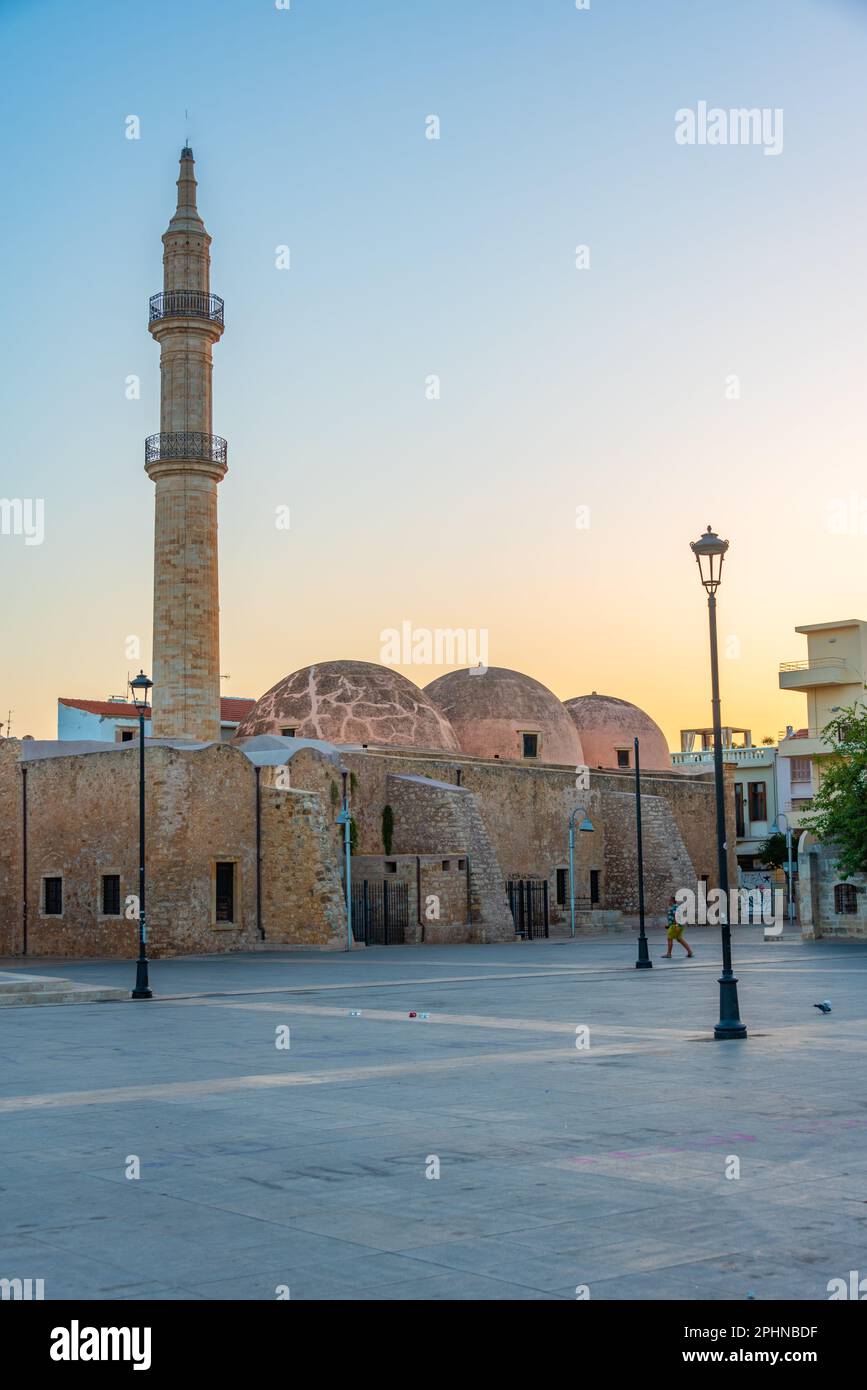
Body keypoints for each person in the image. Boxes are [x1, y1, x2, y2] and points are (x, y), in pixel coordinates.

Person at [663, 895, 693, 959]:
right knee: (679, 939)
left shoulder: (674, 908)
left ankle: (669, 954)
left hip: (675, 926)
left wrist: (676, 925)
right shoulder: (677, 907)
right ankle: (690, 952)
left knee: (669, 938)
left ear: (672, 901)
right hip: (678, 925)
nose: (668, 902)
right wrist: (669, 925)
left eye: (669, 900)